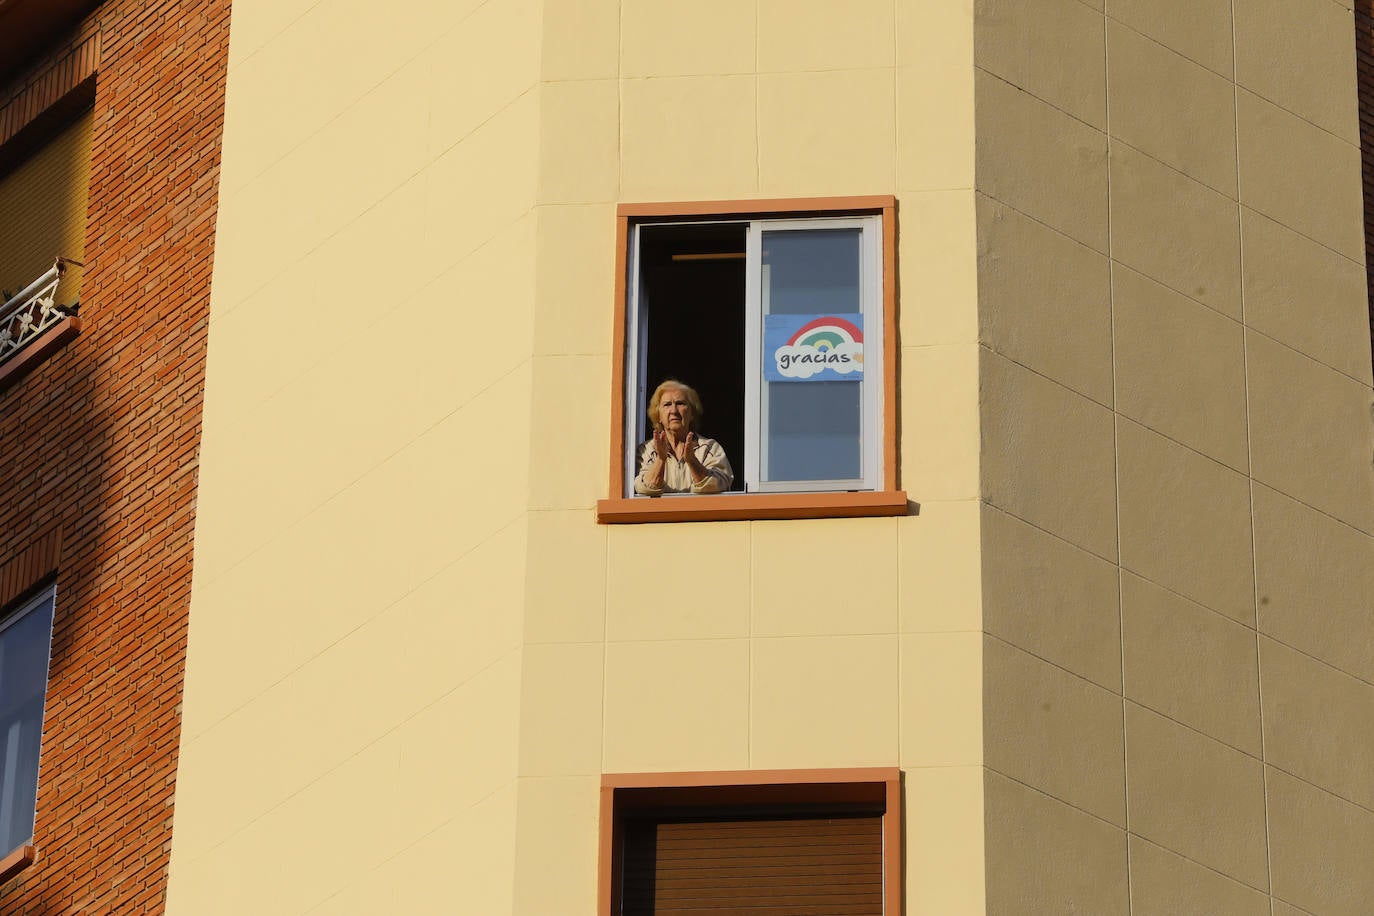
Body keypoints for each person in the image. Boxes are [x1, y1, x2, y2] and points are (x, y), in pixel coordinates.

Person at [634, 379, 733, 495]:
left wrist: (692, 461)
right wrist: (661, 460)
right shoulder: (646, 450)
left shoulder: (709, 447)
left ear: (691, 413)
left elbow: (721, 484)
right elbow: (643, 488)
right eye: (667, 404)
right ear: (658, 415)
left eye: (680, 403)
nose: (674, 411)